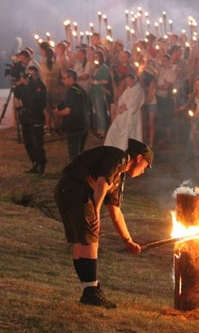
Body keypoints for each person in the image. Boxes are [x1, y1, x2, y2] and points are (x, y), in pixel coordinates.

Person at [54, 138, 152, 308]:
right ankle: (91, 293)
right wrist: (96, 210)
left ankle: (89, 290)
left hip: (67, 190)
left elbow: (116, 212)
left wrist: (128, 241)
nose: (144, 171)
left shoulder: (119, 177)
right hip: (76, 190)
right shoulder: (119, 158)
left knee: (82, 241)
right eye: (146, 165)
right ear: (138, 158)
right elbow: (101, 182)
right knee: (91, 241)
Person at [13, 66, 47, 176]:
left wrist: (28, 85)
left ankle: (41, 164)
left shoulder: (39, 86)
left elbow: (35, 99)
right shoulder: (25, 85)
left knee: (37, 142)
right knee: (27, 142)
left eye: (32, 75)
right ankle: (34, 162)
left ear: (37, 75)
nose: (30, 77)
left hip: (36, 116)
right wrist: (19, 84)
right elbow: (17, 94)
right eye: (28, 75)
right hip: (26, 116)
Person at [53, 69, 89, 161]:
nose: (63, 81)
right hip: (83, 124)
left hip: (74, 125)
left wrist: (57, 113)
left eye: (65, 78)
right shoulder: (81, 90)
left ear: (71, 78)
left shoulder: (70, 91)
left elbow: (67, 111)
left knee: (74, 154)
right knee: (80, 152)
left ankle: (75, 173)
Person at [104, 73, 145, 150]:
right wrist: (120, 106)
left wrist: (123, 107)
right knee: (114, 130)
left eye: (128, 80)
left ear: (134, 80)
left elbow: (133, 103)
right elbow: (121, 99)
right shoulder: (128, 89)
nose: (127, 83)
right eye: (126, 81)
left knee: (131, 134)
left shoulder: (138, 90)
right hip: (123, 115)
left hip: (131, 115)